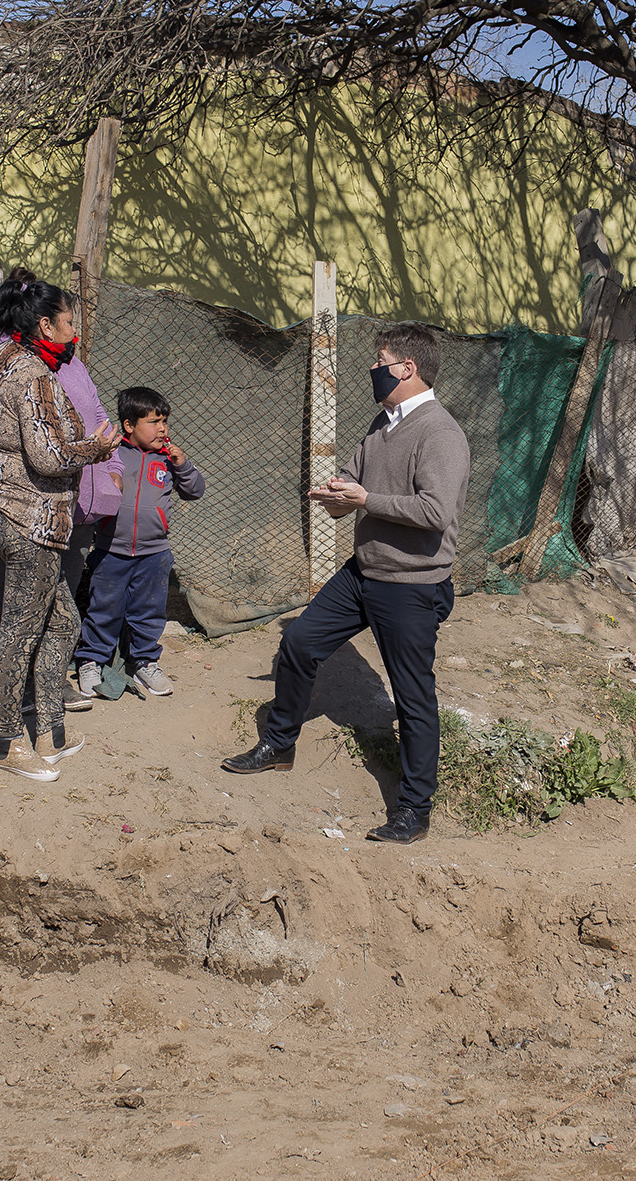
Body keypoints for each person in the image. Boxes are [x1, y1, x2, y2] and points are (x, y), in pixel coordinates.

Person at [222, 322, 470, 843]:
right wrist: (335, 497)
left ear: (407, 368)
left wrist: (364, 501)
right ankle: (280, 745)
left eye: (381, 360)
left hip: (411, 584)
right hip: (364, 572)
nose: (372, 368)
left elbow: (436, 511)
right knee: (299, 642)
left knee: (413, 697)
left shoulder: (440, 433)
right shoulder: (383, 425)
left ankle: (414, 809)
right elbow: (354, 486)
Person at [0, 273, 123, 778]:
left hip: (3, 510)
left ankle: (51, 730)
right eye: (68, 321)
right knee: (20, 630)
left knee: (62, 622)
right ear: (44, 325)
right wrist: (97, 449)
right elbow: (49, 456)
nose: (74, 330)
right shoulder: (33, 373)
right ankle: (5, 741)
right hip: (29, 519)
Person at [74, 386, 205, 700]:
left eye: (165, 422)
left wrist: (183, 464)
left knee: (149, 612)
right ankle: (91, 661)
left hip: (154, 554)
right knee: (103, 609)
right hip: (111, 550)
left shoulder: (168, 460)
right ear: (129, 425)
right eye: (154, 422)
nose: (162, 429)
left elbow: (195, 490)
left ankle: (145, 662)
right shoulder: (113, 454)